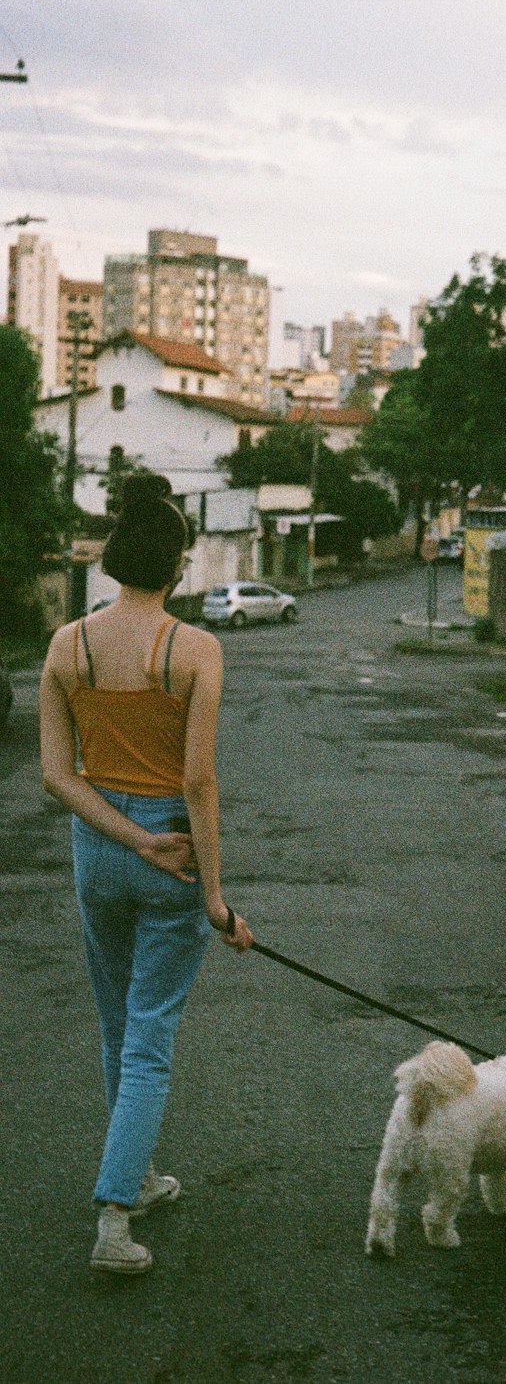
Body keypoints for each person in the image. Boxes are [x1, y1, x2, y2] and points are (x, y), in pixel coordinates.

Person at [40, 472, 254, 1276]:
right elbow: (199, 783)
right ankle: (114, 1217)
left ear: (113, 563)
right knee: (151, 1037)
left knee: (118, 1024)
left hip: (99, 848)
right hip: (167, 847)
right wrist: (214, 900)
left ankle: (142, 1173)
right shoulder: (197, 650)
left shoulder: (67, 644)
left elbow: (58, 777)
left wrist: (125, 839)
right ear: (177, 567)